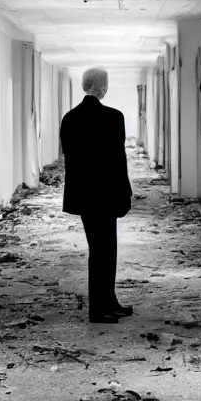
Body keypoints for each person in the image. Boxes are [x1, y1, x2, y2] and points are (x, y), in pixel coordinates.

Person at [60, 67, 133, 324]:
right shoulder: (114, 118)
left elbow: (70, 159)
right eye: (107, 84)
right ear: (102, 88)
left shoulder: (69, 119)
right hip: (107, 193)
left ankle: (108, 302)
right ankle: (98, 309)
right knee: (106, 250)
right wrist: (126, 191)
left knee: (99, 248)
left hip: (84, 194)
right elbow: (118, 160)